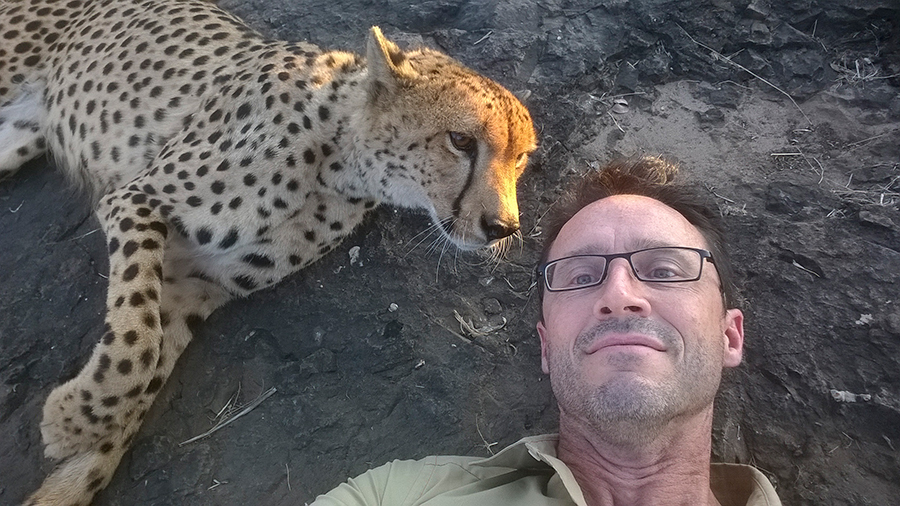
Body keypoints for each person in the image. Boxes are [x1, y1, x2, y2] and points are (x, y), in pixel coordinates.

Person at [311, 157, 781, 506]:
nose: (618, 295)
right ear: (546, 348)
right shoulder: (396, 498)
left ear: (730, 336)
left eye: (663, 269)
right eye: (579, 276)